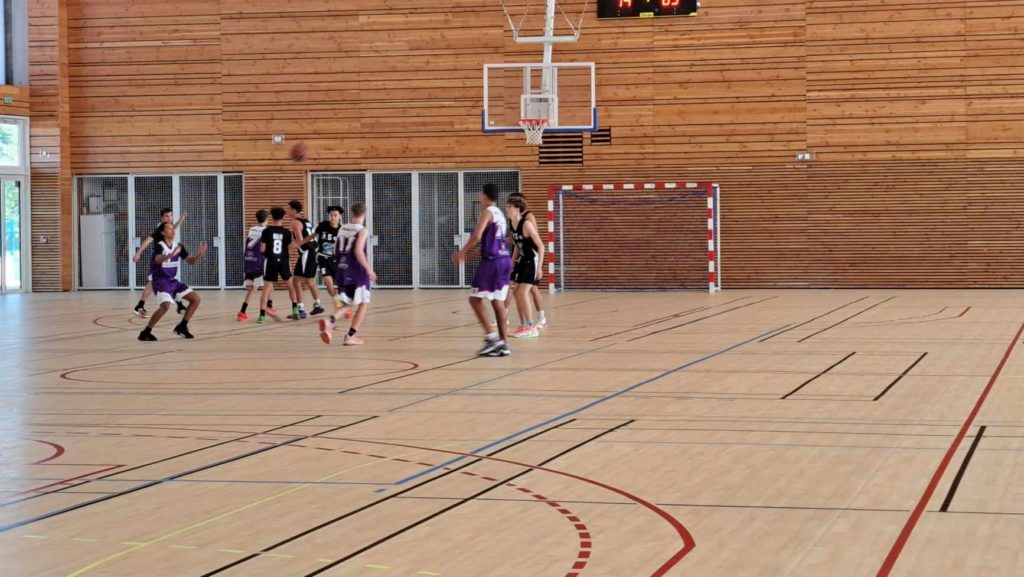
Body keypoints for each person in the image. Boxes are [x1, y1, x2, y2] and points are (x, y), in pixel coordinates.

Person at [454, 183, 513, 357]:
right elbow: (489, 243)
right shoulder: (500, 215)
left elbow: (477, 236)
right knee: (498, 302)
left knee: (474, 299)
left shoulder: (487, 212)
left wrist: (462, 251)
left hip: (493, 262)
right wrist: (469, 257)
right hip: (505, 260)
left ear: (484, 196)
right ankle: (503, 344)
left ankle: (492, 339)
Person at [137, 222, 206, 341]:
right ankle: (146, 332)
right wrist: (167, 256)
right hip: (160, 281)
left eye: (173, 228)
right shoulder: (159, 246)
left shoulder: (178, 246)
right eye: (169, 228)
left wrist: (199, 254)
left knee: (196, 299)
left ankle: (182, 326)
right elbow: (157, 260)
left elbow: (191, 261)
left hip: (172, 281)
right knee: (165, 306)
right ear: (163, 232)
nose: (173, 230)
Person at [319, 203, 376, 346]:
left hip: (342, 270)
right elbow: (358, 251)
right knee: (364, 303)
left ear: (351, 213)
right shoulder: (362, 230)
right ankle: (350, 336)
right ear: (364, 214)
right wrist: (368, 269)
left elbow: (335, 250)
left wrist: (340, 264)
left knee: (347, 303)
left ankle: (330, 320)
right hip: (357, 271)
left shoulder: (342, 228)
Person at [131, 208, 187, 318]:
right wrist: (138, 253)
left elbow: (174, 227)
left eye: (171, 215)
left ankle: (179, 305)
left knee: (169, 281)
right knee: (153, 283)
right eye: (166, 216)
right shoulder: (159, 230)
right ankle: (139, 306)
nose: (169, 218)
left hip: (166, 261)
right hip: (158, 261)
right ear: (161, 218)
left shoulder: (168, 227)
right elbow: (148, 240)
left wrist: (181, 219)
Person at [505, 193, 548, 329]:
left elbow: (541, 245)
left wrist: (539, 268)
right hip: (523, 260)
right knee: (516, 292)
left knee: (524, 292)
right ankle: (524, 325)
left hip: (533, 260)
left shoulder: (527, 223)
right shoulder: (512, 223)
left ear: (517, 208)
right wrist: (512, 262)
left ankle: (531, 326)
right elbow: (518, 245)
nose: (507, 209)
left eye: (509, 206)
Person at [298, 205, 344, 309]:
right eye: (331, 215)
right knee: (329, 285)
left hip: (336, 260)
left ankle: (343, 303)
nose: (333, 217)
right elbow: (312, 236)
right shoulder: (323, 225)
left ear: (340, 216)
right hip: (323, 259)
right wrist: (301, 242)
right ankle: (338, 303)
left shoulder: (342, 230)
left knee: (341, 285)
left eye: (335, 215)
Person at [258, 207, 298, 324]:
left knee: (266, 288)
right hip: (284, 261)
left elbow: (262, 249)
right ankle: (295, 309)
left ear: (271, 217)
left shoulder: (266, 231)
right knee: (290, 286)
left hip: (271, 260)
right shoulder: (287, 232)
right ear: (283, 217)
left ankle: (262, 316)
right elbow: (290, 249)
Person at [287, 200, 324, 319]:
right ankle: (318, 305)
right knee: (309, 281)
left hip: (307, 252)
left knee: (296, 280)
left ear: (293, 210)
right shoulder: (306, 220)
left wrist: (289, 247)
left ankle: (301, 310)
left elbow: (300, 240)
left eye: (288, 208)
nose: (287, 211)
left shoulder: (295, 222)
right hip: (313, 251)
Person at [238, 209, 268, 322]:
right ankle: (265, 310)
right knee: (266, 286)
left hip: (249, 260)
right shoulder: (266, 231)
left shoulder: (251, 229)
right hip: (259, 262)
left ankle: (243, 311)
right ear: (266, 219)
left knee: (254, 288)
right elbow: (264, 247)